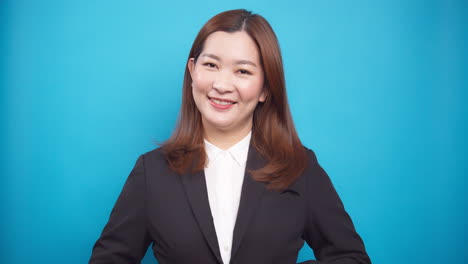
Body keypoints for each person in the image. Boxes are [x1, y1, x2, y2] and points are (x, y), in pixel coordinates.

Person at [89, 9, 371, 264]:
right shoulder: (152, 172)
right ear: (192, 72)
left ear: (265, 89)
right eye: (211, 65)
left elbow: (352, 258)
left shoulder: (299, 167)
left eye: (243, 71)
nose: (222, 85)